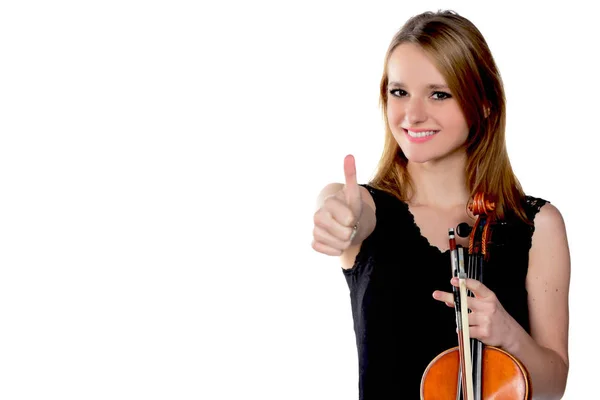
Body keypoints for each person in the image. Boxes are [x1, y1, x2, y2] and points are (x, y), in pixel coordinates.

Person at [311, 9, 570, 400]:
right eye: (399, 92)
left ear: (483, 104)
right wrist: (337, 217)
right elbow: (346, 211)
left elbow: (554, 387)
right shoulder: (365, 207)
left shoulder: (538, 224)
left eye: (439, 93)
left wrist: (509, 335)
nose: (412, 114)